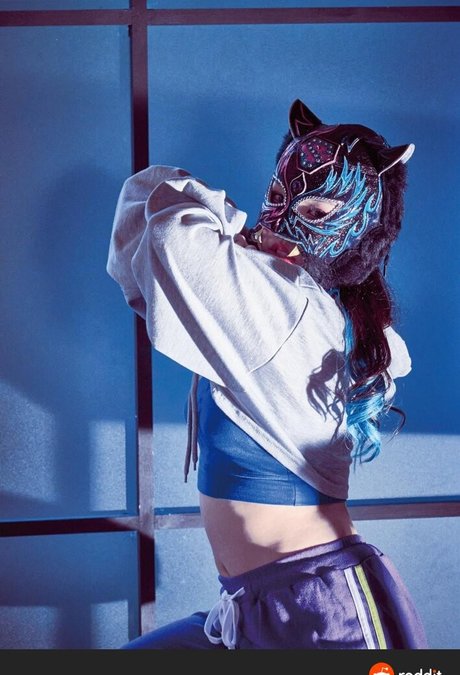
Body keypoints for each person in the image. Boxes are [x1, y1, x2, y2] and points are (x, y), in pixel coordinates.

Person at [106, 98, 428, 650]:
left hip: (325, 616)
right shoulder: (313, 309)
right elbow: (142, 253)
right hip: (247, 604)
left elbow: (163, 227)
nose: (277, 220)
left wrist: (237, 228)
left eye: (316, 210)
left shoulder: (290, 308)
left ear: (361, 231)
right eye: (276, 195)